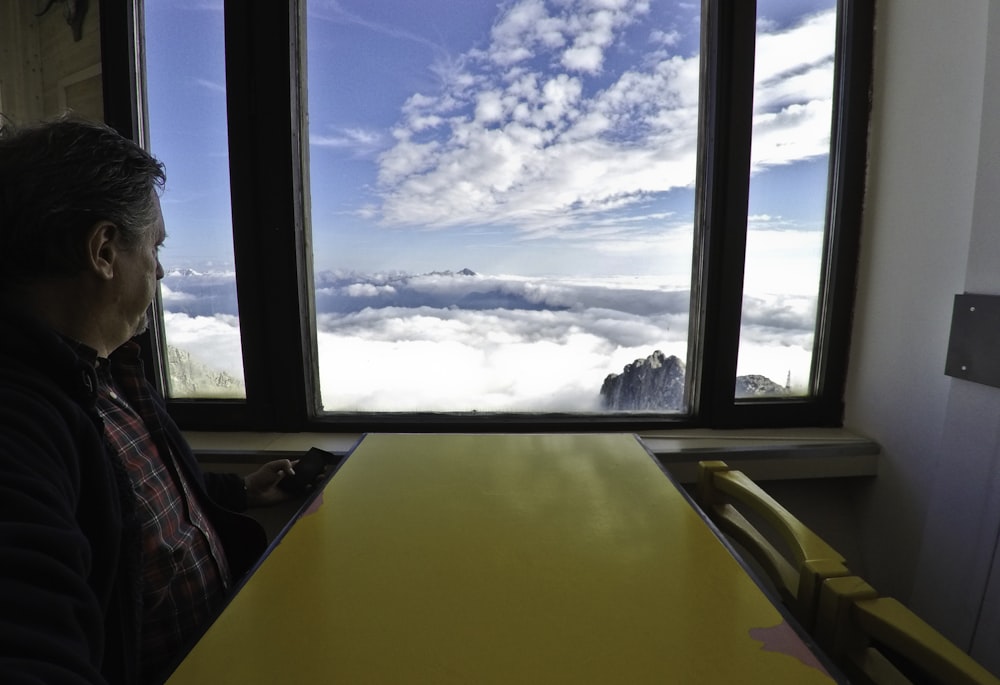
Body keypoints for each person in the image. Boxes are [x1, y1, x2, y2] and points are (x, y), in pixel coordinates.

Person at [0, 116, 308, 684]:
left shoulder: (103, 370)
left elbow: (134, 494)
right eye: (155, 246)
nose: (161, 270)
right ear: (104, 250)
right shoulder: (20, 421)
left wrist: (241, 490)